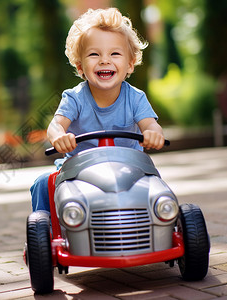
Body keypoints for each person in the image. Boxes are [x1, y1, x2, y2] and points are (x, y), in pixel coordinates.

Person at [30, 7, 165, 212]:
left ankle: (163, 220)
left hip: (130, 168)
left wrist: (153, 134)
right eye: (94, 54)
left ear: (130, 64)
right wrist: (59, 136)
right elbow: (56, 125)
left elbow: (151, 125)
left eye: (115, 53)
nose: (104, 60)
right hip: (79, 170)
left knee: (157, 185)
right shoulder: (74, 98)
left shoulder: (136, 98)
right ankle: (46, 232)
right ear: (80, 67)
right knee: (42, 183)